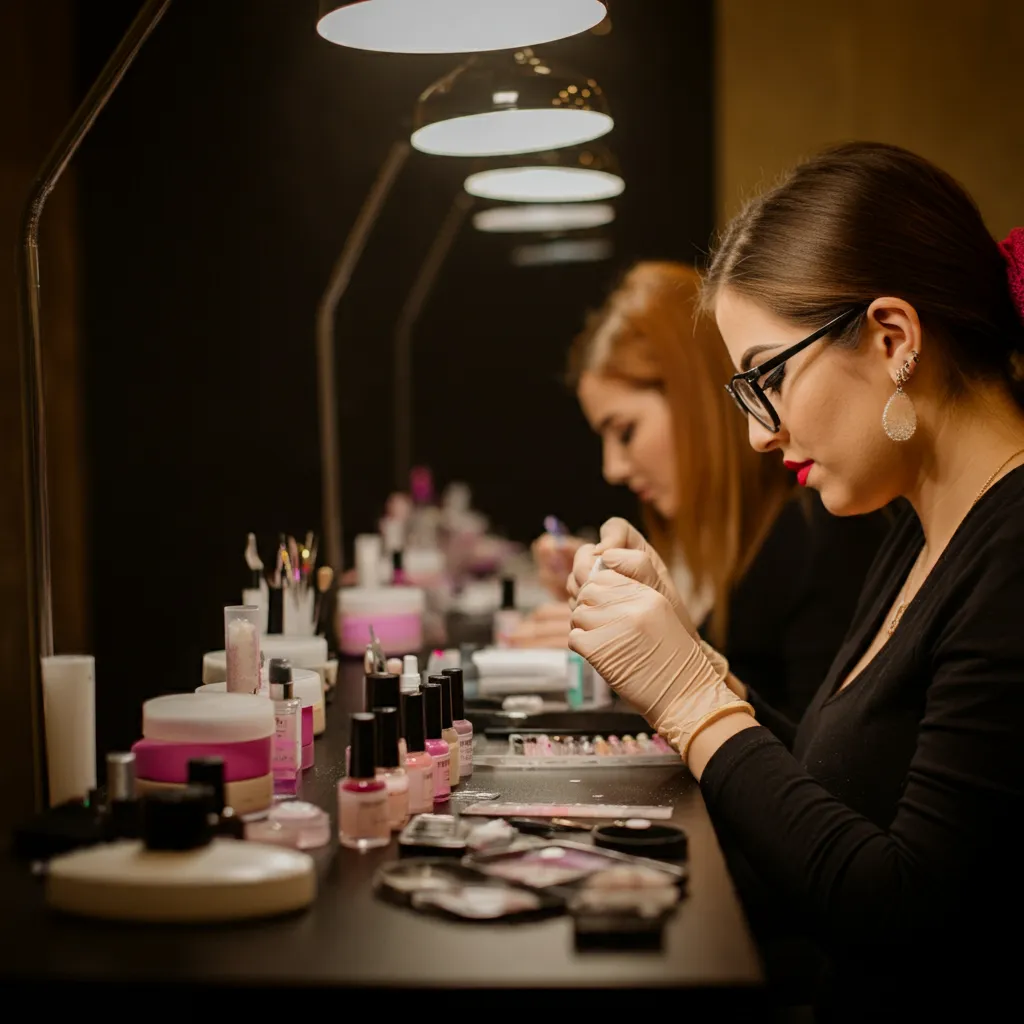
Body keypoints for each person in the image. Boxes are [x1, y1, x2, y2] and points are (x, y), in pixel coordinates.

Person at [567, 142, 1024, 1013]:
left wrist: (692, 700)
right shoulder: (917, 527)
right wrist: (690, 661)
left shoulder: (1013, 552)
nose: (758, 436)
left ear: (894, 338)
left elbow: (902, 909)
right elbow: (837, 794)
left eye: (768, 377)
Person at [513, 262, 889, 721]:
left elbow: (816, 760)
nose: (612, 468)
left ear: (697, 403)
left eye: (625, 431)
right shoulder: (709, 544)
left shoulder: (820, 536)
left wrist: (654, 657)